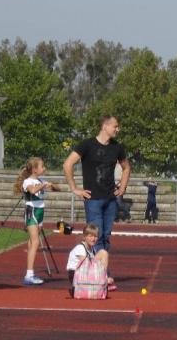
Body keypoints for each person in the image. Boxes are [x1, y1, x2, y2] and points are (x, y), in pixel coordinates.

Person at [63, 115, 130, 251]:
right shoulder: (87, 145)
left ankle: (101, 263)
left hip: (110, 199)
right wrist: (74, 188)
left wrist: (122, 187)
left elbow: (126, 168)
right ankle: (99, 265)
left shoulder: (117, 147)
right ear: (105, 126)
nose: (118, 129)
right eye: (115, 126)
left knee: (106, 237)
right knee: (96, 237)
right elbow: (67, 164)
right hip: (93, 199)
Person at [15, 157, 59, 286]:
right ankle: (29, 275)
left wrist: (52, 185)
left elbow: (58, 189)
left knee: (32, 242)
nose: (44, 168)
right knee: (35, 242)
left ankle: (30, 272)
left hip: (40, 212)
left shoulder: (40, 180)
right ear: (34, 169)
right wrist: (43, 185)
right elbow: (33, 190)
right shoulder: (27, 181)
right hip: (32, 211)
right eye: (42, 166)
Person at [66, 223, 111, 297]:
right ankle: (103, 280)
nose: (93, 239)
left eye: (95, 236)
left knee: (103, 254)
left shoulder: (93, 249)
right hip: (75, 274)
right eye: (90, 236)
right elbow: (85, 265)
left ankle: (102, 280)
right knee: (103, 253)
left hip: (84, 273)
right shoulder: (80, 248)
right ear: (84, 237)